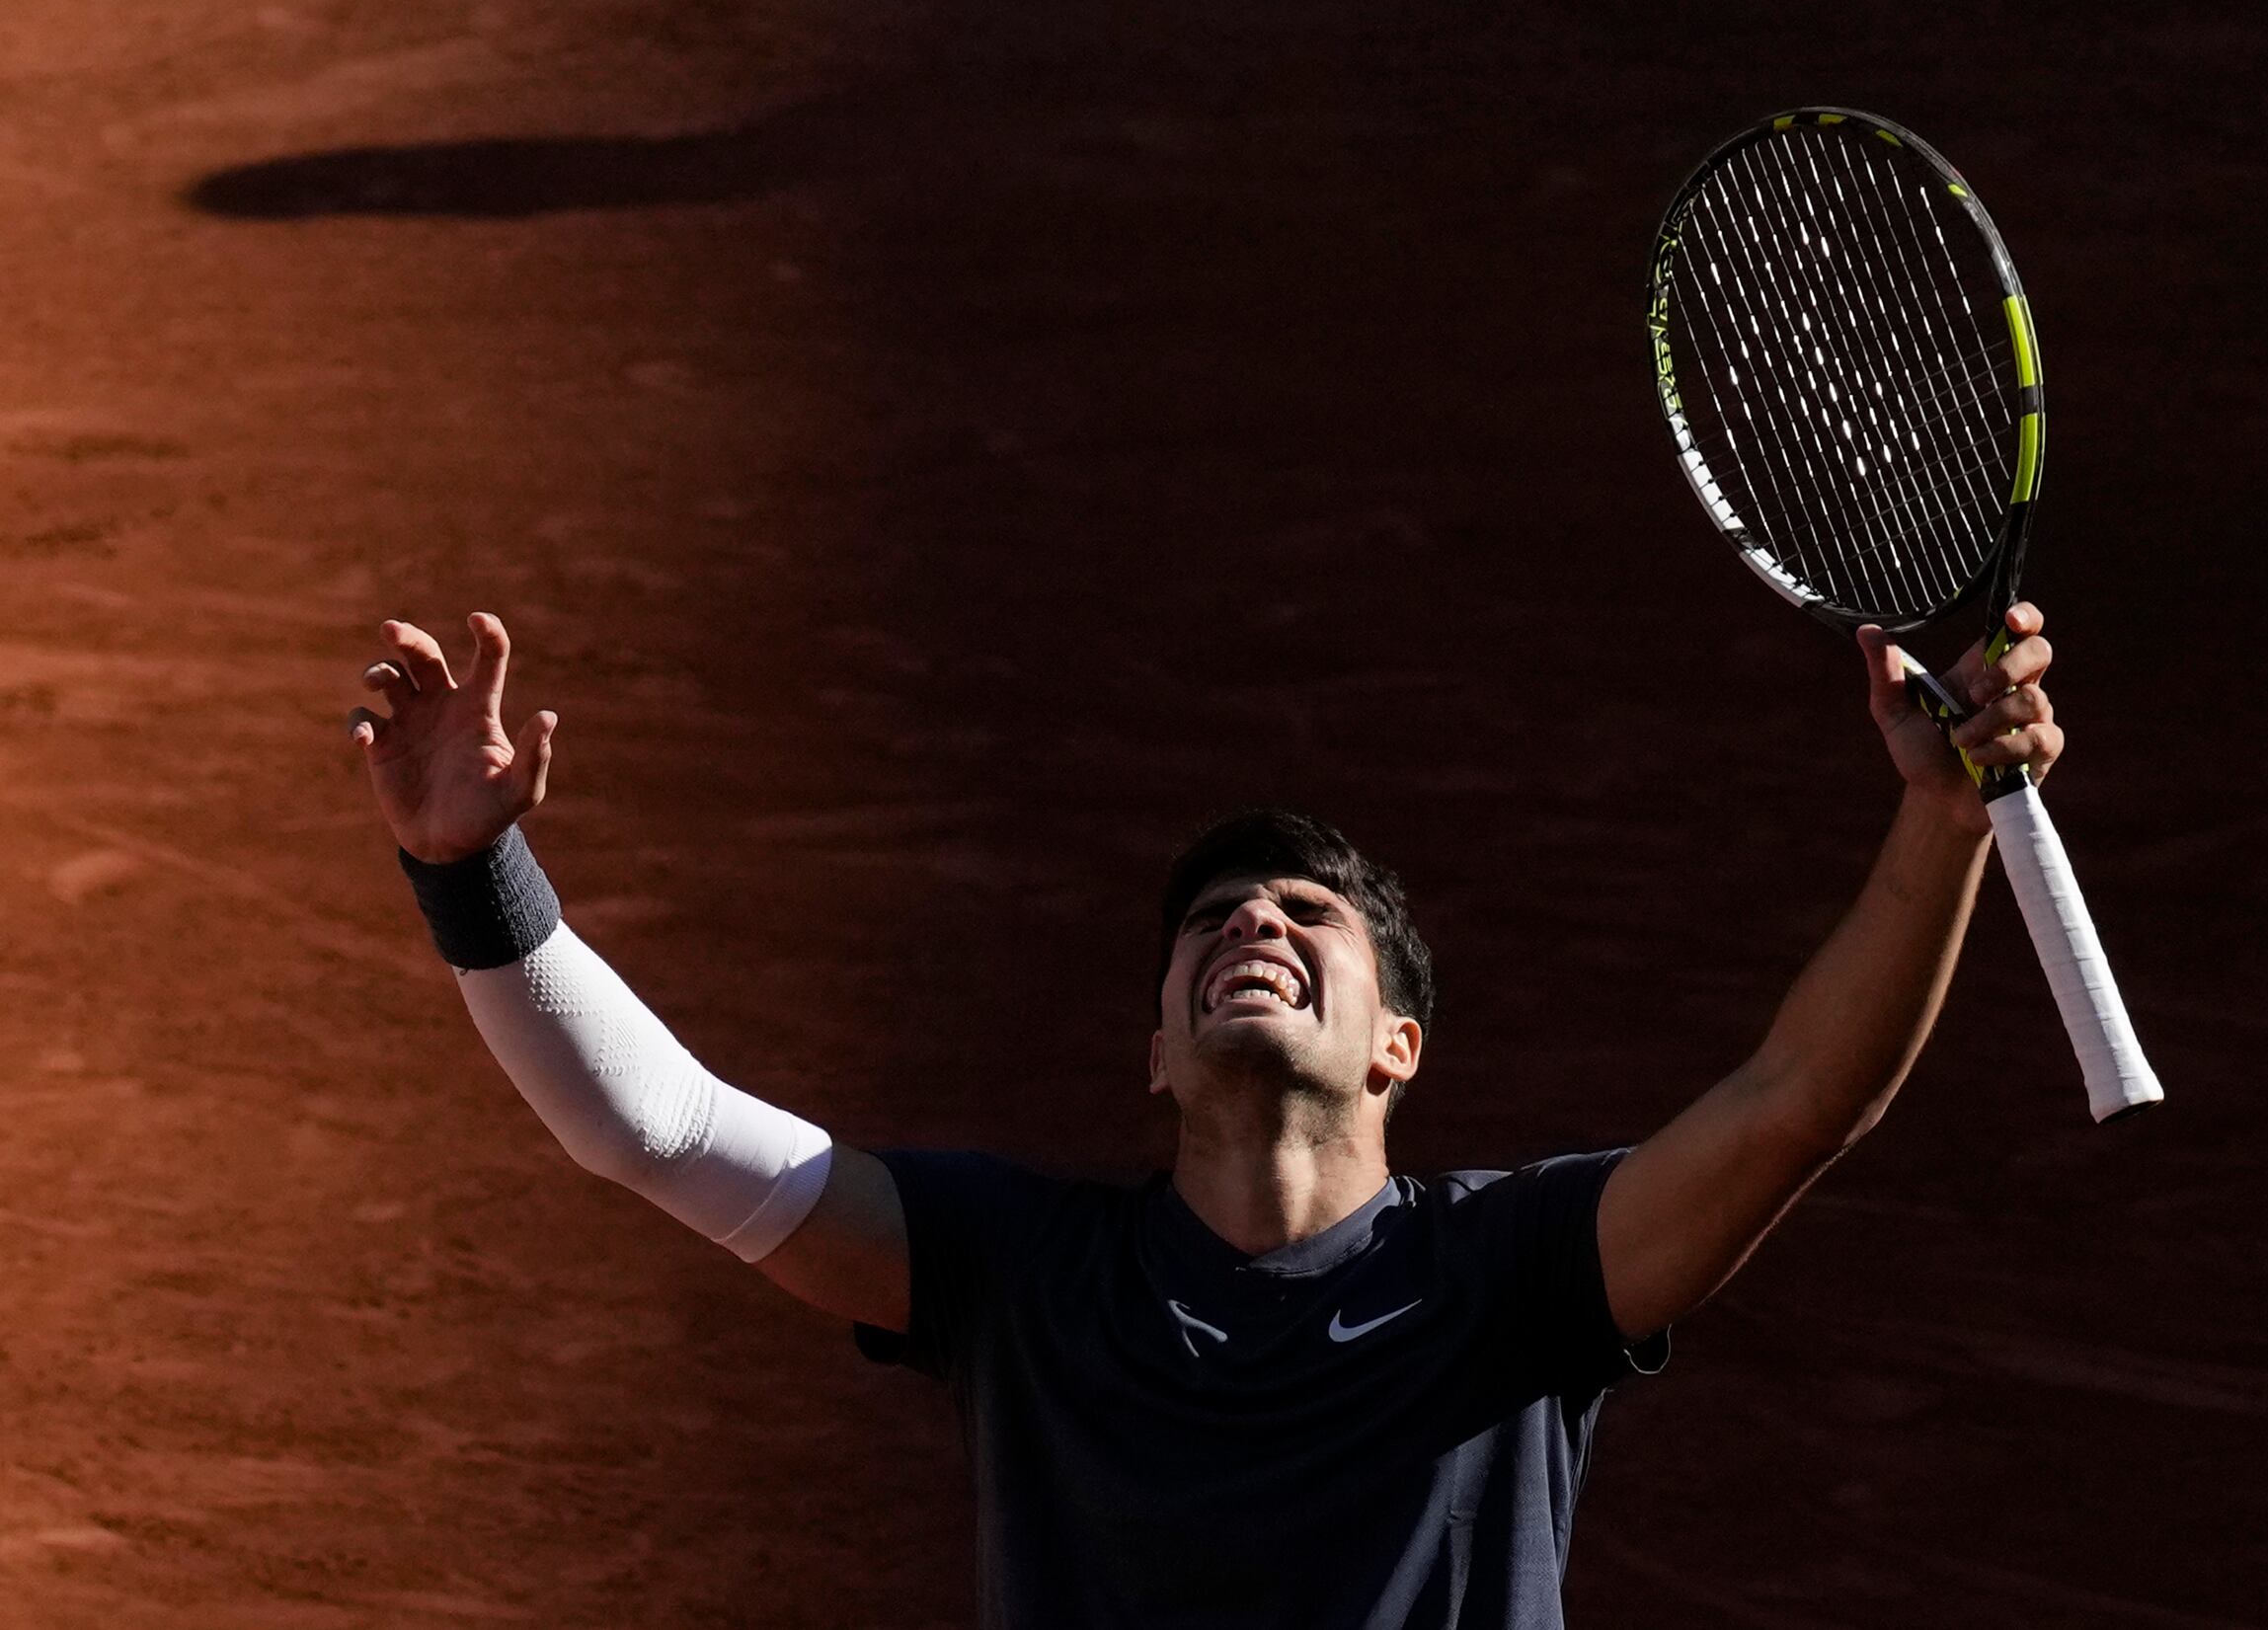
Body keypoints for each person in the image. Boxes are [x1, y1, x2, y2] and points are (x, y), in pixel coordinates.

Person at [348, 603, 2065, 1628]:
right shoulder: (1019, 1277)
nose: (1254, 922)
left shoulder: (1518, 1276)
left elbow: (1796, 1103)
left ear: (1399, 1046)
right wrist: (471, 874)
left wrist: (1945, 822)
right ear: (1154, 1053)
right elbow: (661, 1133)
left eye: (1307, 917)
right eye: (1211, 923)